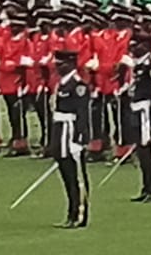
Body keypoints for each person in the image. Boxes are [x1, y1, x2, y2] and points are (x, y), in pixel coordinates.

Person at [49, 48, 91, 228]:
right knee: (66, 174)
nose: (58, 68)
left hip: (71, 131)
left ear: (72, 64)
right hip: (60, 131)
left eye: (62, 65)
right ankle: (70, 212)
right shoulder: (62, 84)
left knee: (77, 176)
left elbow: (82, 114)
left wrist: (79, 138)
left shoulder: (78, 85)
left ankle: (79, 213)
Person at [128, 31, 151, 202]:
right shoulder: (139, 67)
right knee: (142, 152)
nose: (133, 48)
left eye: (137, 45)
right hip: (138, 112)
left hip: (148, 113)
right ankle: (145, 187)